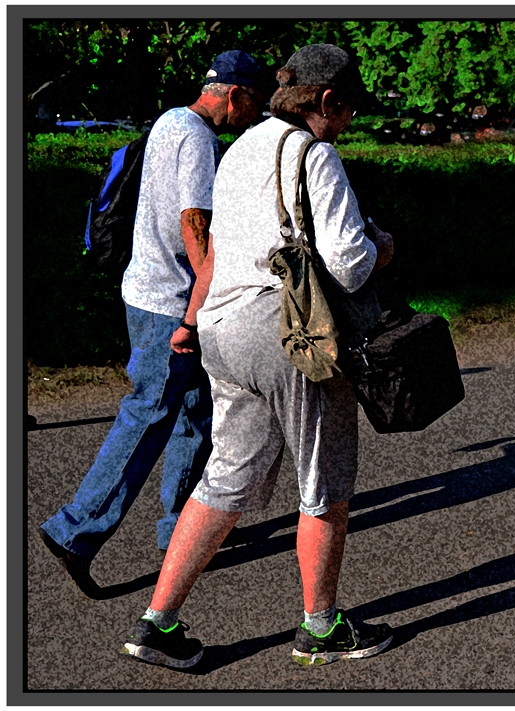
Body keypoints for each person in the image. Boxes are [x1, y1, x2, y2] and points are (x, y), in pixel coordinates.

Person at [118, 44, 395, 670]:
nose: (348, 121)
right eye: (347, 109)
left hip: (222, 328)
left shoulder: (239, 149)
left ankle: (157, 623)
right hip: (288, 333)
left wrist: (191, 321)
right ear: (325, 101)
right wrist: (382, 246)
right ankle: (320, 628)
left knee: (225, 477)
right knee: (325, 479)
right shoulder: (314, 152)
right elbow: (349, 265)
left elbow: (218, 248)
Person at [39, 50, 265, 599]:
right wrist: (198, 311)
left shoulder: (167, 120)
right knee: (150, 414)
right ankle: (76, 530)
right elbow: (194, 226)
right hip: (170, 304)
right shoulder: (197, 139)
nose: (252, 119)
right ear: (234, 95)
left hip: (144, 291)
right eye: (252, 105)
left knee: (196, 411)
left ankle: (180, 529)